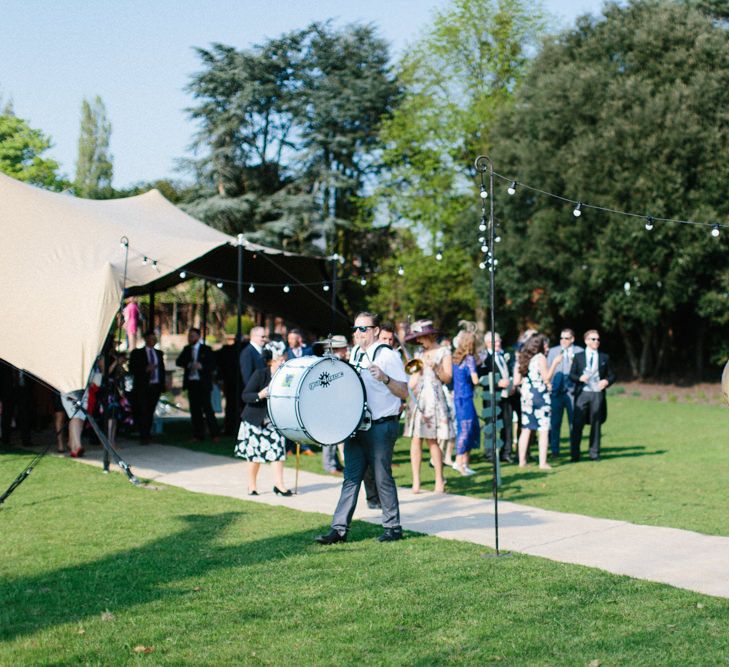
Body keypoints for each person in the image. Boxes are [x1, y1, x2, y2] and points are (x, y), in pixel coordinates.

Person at [315, 312, 408, 544]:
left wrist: (385, 378)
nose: (357, 333)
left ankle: (393, 527)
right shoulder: (355, 353)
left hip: (381, 425)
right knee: (351, 477)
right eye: (355, 329)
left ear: (376, 330)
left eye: (363, 329)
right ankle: (339, 529)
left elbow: (404, 392)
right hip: (357, 425)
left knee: (381, 476)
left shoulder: (387, 356)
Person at [234, 341, 292, 496]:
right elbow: (245, 395)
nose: (283, 361)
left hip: (274, 421)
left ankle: (279, 485)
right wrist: (260, 395)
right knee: (255, 455)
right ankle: (252, 485)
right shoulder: (260, 374)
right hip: (255, 420)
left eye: (284, 358)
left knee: (278, 452)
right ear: (271, 360)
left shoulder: (286, 377)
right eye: (280, 359)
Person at [404, 319, 454, 494]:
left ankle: (439, 480)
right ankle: (416, 481)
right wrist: (406, 396)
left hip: (435, 399)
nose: (418, 341)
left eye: (421, 337)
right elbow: (413, 380)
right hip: (419, 399)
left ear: (429, 335)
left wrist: (437, 367)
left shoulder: (444, 351)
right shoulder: (418, 353)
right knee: (415, 439)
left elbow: (448, 378)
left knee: (432, 440)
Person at [513, 333, 563, 469]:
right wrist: (555, 363)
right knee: (543, 429)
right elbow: (546, 377)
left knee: (526, 429)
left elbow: (516, 381)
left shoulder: (522, 358)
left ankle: (521, 461)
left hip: (526, 397)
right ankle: (543, 462)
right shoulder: (540, 358)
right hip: (540, 396)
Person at [569, 329, 616, 462]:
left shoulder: (604, 357)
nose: (596, 341)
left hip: (597, 394)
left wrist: (606, 381)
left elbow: (613, 375)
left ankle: (594, 453)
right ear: (586, 341)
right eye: (593, 339)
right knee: (577, 424)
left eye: (598, 339)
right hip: (582, 393)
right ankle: (575, 454)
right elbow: (571, 375)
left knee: (596, 423)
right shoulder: (578, 357)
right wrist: (580, 378)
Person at [176, 328, 220, 442]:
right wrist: (189, 364)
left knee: (208, 409)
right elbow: (179, 361)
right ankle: (198, 435)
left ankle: (215, 434)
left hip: (203, 384)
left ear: (198, 336)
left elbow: (213, 365)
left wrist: (202, 366)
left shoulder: (206, 349)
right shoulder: (187, 349)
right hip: (192, 383)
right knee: (195, 410)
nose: (190, 338)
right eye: (189, 336)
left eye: (192, 336)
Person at [479, 332, 516, 463]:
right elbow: (480, 378)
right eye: (496, 341)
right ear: (488, 343)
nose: (499, 343)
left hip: (506, 395)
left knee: (507, 424)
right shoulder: (484, 358)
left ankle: (506, 452)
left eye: (499, 341)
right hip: (491, 396)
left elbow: (509, 372)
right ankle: (490, 454)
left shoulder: (503, 355)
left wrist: (511, 384)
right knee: (492, 424)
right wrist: (497, 382)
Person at [547, 328, 583, 457]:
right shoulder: (553, 351)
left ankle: (574, 450)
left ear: (572, 339)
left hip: (573, 393)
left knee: (574, 423)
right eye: (561, 338)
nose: (563, 341)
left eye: (566, 338)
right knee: (555, 424)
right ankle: (554, 451)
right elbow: (548, 370)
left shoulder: (579, 352)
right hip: (556, 394)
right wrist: (548, 384)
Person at [318, 335, 348, 476]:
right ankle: (329, 465)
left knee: (336, 435)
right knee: (329, 436)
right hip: (329, 403)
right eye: (344, 347)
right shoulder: (330, 362)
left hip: (338, 402)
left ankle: (335, 463)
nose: (346, 350)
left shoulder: (340, 361)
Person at [129, 331, 166, 444]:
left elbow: (162, 370)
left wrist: (163, 383)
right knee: (142, 410)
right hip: (142, 386)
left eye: (154, 339)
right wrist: (145, 369)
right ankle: (143, 434)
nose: (152, 341)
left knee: (150, 410)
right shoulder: (137, 353)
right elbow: (132, 369)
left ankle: (148, 433)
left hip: (155, 386)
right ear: (146, 340)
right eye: (150, 338)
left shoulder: (159, 353)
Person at [451, 331, 480, 475]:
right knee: (466, 429)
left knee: (470, 427)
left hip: (458, 397)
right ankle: (459, 463)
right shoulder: (469, 359)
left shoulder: (456, 358)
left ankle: (465, 463)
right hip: (466, 397)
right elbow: (475, 379)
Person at [215, 333, 244, 436]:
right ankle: (231, 428)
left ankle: (231, 428)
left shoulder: (228, 350)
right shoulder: (228, 350)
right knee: (233, 406)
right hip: (234, 382)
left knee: (233, 406)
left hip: (237, 382)